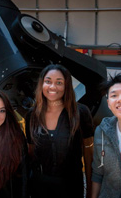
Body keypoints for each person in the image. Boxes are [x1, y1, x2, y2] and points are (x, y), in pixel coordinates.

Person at [25, 64, 94, 198]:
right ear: (42, 84)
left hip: (71, 186)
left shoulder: (80, 112)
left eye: (59, 82)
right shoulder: (32, 115)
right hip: (40, 186)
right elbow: (31, 152)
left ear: (66, 86)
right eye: (48, 81)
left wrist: (91, 191)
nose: (52, 87)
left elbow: (89, 155)